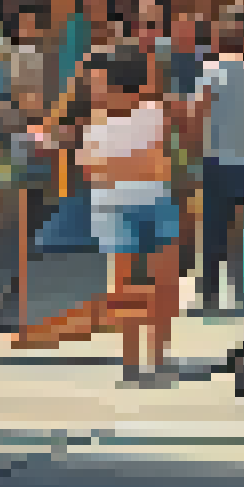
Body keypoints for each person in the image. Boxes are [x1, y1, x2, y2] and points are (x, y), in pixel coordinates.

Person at [60, 52, 185, 385]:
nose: (97, 91)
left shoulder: (148, 114)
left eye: (102, 84)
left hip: (138, 202)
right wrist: (138, 165)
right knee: (131, 286)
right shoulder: (99, 123)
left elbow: (102, 170)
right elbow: (96, 171)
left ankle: (153, 359)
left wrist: (120, 167)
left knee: (159, 284)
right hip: (132, 204)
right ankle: (137, 361)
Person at [190, 16, 244, 317]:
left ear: (217, 41)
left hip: (221, 159)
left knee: (215, 227)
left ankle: (210, 296)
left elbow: (198, 114)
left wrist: (193, 152)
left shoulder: (211, 72)